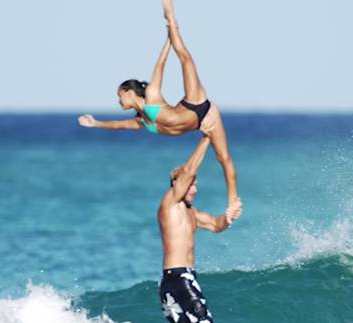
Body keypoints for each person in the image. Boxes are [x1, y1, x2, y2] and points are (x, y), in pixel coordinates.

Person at [78, 0, 240, 218]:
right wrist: (95, 123)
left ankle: (232, 202)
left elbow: (161, 64)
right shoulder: (141, 120)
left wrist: (169, 37)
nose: (118, 101)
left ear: (129, 92)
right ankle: (172, 26)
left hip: (199, 108)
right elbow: (118, 125)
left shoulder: (152, 96)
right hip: (194, 123)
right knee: (220, 156)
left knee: (185, 59)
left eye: (120, 96)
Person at [157, 129, 241, 323]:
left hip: (180, 278)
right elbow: (190, 168)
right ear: (178, 183)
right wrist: (207, 138)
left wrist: (228, 217)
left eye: (195, 184)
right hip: (177, 276)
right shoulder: (170, 204)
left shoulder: (193, 213)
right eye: (190, 183)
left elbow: (215, 225)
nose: (194, 187)